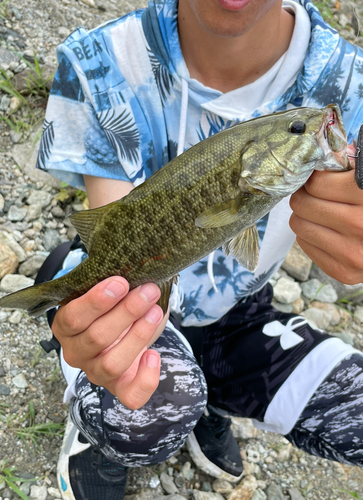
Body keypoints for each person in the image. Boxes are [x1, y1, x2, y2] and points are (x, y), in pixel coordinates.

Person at [35, 0, 363, 498]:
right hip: (145, 304)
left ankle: (209, 391)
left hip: (241, 313)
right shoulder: (95, 61)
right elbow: (120, 230)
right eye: (297, 129)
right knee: (143, 412)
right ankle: (105, 417)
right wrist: (106, 303)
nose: (310, 129)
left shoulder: (353, 84)